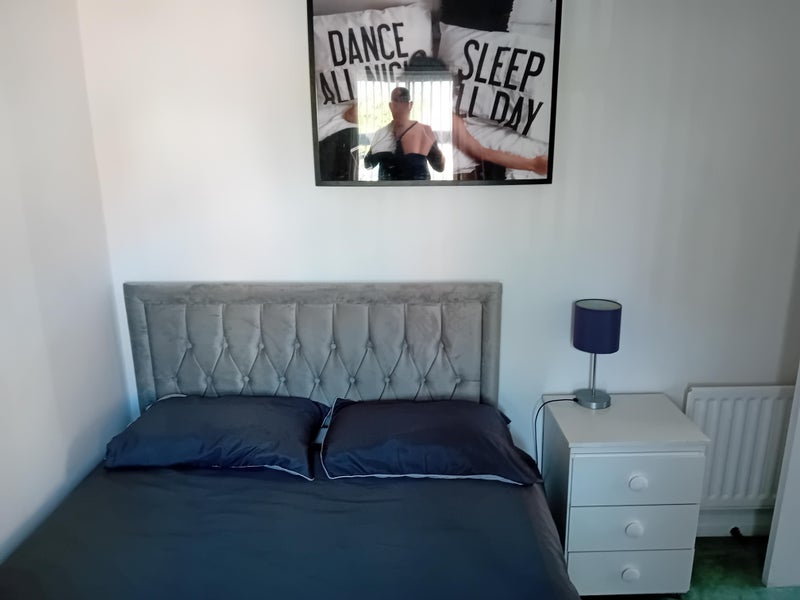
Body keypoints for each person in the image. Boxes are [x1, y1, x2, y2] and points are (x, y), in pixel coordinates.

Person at [363, 87, 445, 181]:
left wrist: (431, 146)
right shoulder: (382, 134)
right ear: (390, 106)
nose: (400, 106)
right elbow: (368, 165)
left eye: (403, 100)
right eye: (396, 101)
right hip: (388, 190)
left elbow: (440, 167)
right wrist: (378, 149)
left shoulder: (423, 132)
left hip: (418, 190)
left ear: (410, 105)